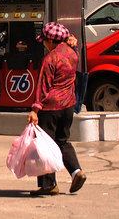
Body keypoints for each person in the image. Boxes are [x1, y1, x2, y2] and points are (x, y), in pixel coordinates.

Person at [27, 22, 86, 195]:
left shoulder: (49, 59)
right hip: (68, 105)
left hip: (50, 107)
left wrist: (35, 110)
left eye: (45, 41)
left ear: (51, 41)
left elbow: (43, 87)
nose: (44, 44)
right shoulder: (73, 54)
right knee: (62, 141)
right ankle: (77, 172)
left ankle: (49, 185)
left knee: (44, 145)